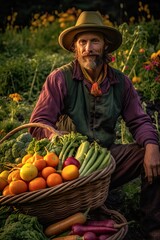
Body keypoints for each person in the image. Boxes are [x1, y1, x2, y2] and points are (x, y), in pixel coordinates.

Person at [29, 11, 160, 239]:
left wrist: (151, 145)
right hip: (68, 168)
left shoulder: (121, 82)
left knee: (154, 154)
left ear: (105, 46)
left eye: (95, 41)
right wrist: (55, 139)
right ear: (75, 48)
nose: (88, 47)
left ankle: (152, 229)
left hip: (106, 158)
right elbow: (38, 122)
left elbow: (139, 121)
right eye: (83, 42)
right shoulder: (60, 79)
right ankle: (87, 205)